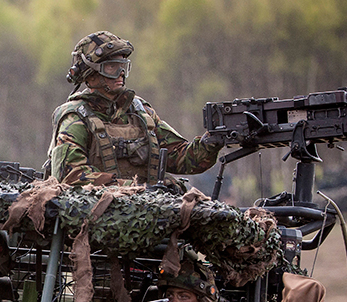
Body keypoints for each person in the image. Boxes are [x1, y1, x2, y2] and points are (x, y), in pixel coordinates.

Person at [47, 31, 223, 187]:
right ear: (90, 74)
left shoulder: (140, 112)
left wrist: (210, 142)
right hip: (97, 217)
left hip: (148, 212)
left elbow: (180, 158)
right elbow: (71, 177)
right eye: (112, 67)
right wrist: (134, 187)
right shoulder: (75, 117)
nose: (120, 73)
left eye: (123, 66)